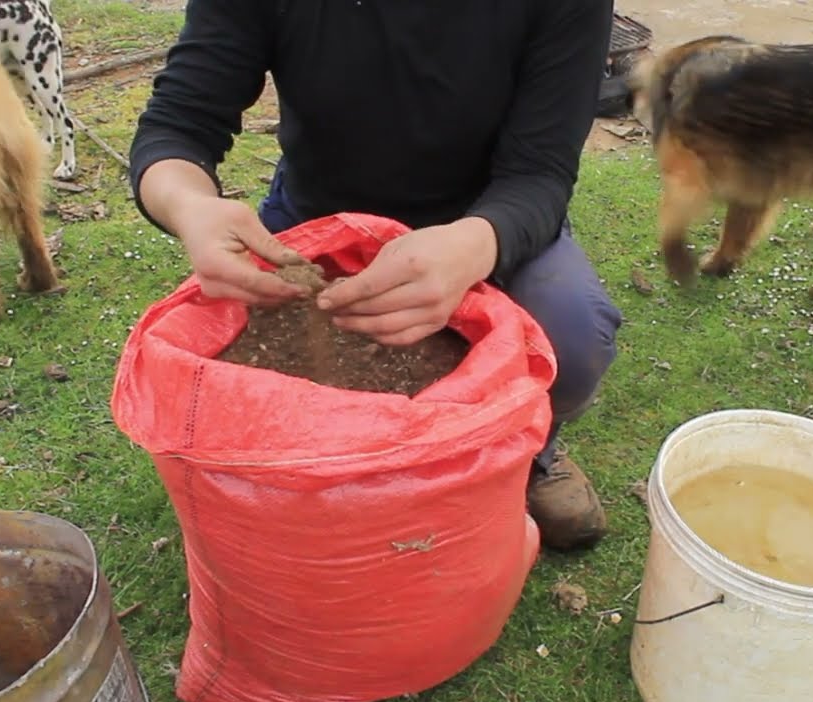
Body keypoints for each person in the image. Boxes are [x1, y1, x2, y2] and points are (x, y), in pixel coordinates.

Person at [128, 0, 623, 552]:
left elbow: (540, 173)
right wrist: (190, 206)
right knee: (267, 382)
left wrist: (475, 244)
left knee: (572, 339)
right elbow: (178, 124)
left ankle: (526, 454)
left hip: (484, 220)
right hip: (322, 222)